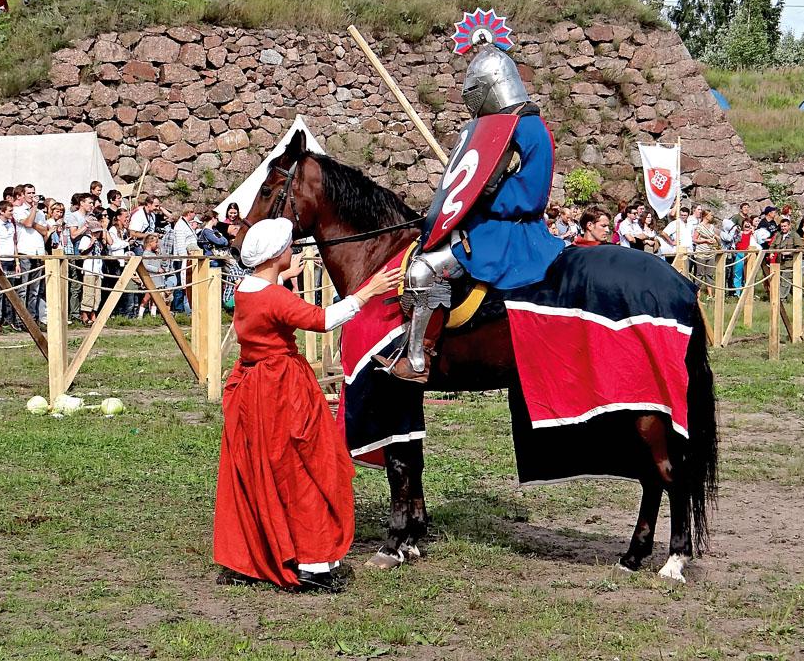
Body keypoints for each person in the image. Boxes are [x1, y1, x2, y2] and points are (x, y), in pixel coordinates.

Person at [213, 218, 401, 592]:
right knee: (303, 468)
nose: (292, 250)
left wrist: (282, 275)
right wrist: (369, 291)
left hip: (253, 386)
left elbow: (268, 298)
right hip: (281, 388)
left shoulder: (245, 288)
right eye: (288, 247)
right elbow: (322, 320)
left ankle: (257, 553)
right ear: (276, 255)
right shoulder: (275, 298)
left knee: (258, 467)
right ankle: (312, 563)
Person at [376, 42, 564, 383]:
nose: (470, 99)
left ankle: (418, 359)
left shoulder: (527, 127)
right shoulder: (501, 125)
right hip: (487, 222)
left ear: (493, 85)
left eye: (475, 90)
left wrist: (486, 194)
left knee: (424, 271)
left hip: (510, 231)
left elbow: (531, 193)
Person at [12, 184, 47, 324]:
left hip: (38, 251)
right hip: (25, 251)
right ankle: (20, 319)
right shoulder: (18, 210)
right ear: (23, 195)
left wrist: (33, 222)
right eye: (29, 193)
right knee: (23, 288)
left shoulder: (40, 213)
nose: (32, 195)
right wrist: (33, 210)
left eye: (33, 192)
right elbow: (27, 223)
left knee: (35, 289)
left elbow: (44, 231)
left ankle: (32, 318)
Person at [0, 200, 20, 332]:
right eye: (10, 211)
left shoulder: (11, 224)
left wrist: (17, 262)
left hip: (11, 260)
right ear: (2, 211)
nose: (12, 213)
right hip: (1, 261)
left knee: (10, 291)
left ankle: (8, 319)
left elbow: (14, 244)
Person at [769, 217, 804, 300]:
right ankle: (796, 296)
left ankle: (780, 298)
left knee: (785, 281)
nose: (783, 228)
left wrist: (790, 252)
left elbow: (801, 247)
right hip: (779, 262)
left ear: (789, 226)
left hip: (789, 262)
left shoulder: (794, 235)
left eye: (785, 226)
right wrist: (771, 252)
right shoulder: (778, 235)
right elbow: (772, 246)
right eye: (782, 226)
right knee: (781, 280)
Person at [692, 210, 718, 299]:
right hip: (701, 253)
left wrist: (714, 240)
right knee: (700, 274)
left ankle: (710, 295)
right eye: (710, 215)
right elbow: (694, 239)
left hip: (710, 252)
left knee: (709, 274)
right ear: (705, 216)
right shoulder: (699, 227)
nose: (712, 216)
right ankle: (697, 295)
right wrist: (705, 240)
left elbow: (714, 236)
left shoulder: (712, 226)